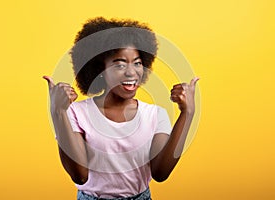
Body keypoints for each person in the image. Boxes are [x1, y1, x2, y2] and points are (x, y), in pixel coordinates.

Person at [43, 17, 199, 200]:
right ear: (99, 71)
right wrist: (57, 112)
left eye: (137, 63)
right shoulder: (77, 113)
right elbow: (80, 175)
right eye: (119, 64)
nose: (131, 72)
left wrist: (187, 113)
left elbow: (160, 173)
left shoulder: (155, 115)